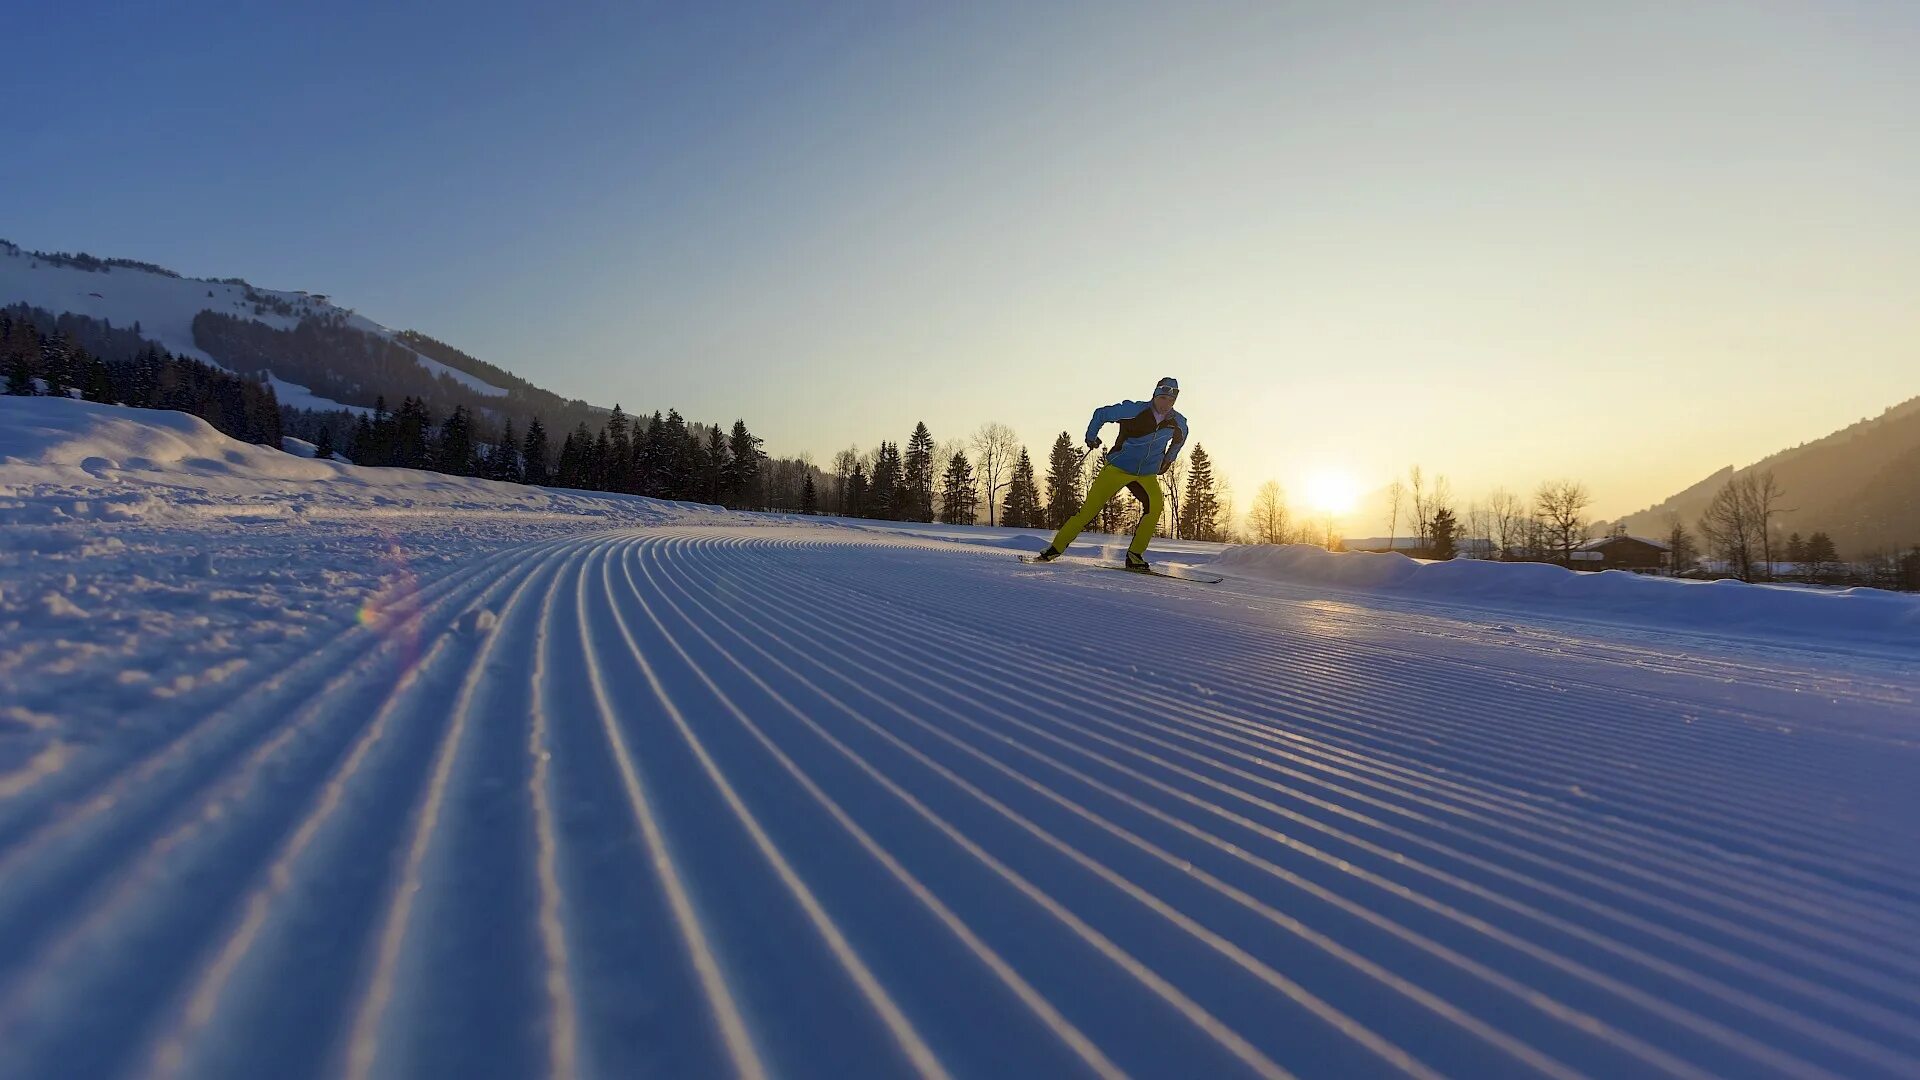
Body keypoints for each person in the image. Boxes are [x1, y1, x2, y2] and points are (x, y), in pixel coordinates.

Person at [1034, 377, 1188, 571]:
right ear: (1155, 395)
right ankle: (1054, 549)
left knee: (1155, 507)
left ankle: (1134, 556)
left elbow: (1179, 440)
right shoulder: (1133, 410)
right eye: (1163, 398)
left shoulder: (1177, 422)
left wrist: (1167, 460)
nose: (1166, 404)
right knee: (1088, 511)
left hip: (1146, 474)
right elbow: (1102, 413)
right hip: (1118, 468)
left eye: (1171, 400)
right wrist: (1091, 436)